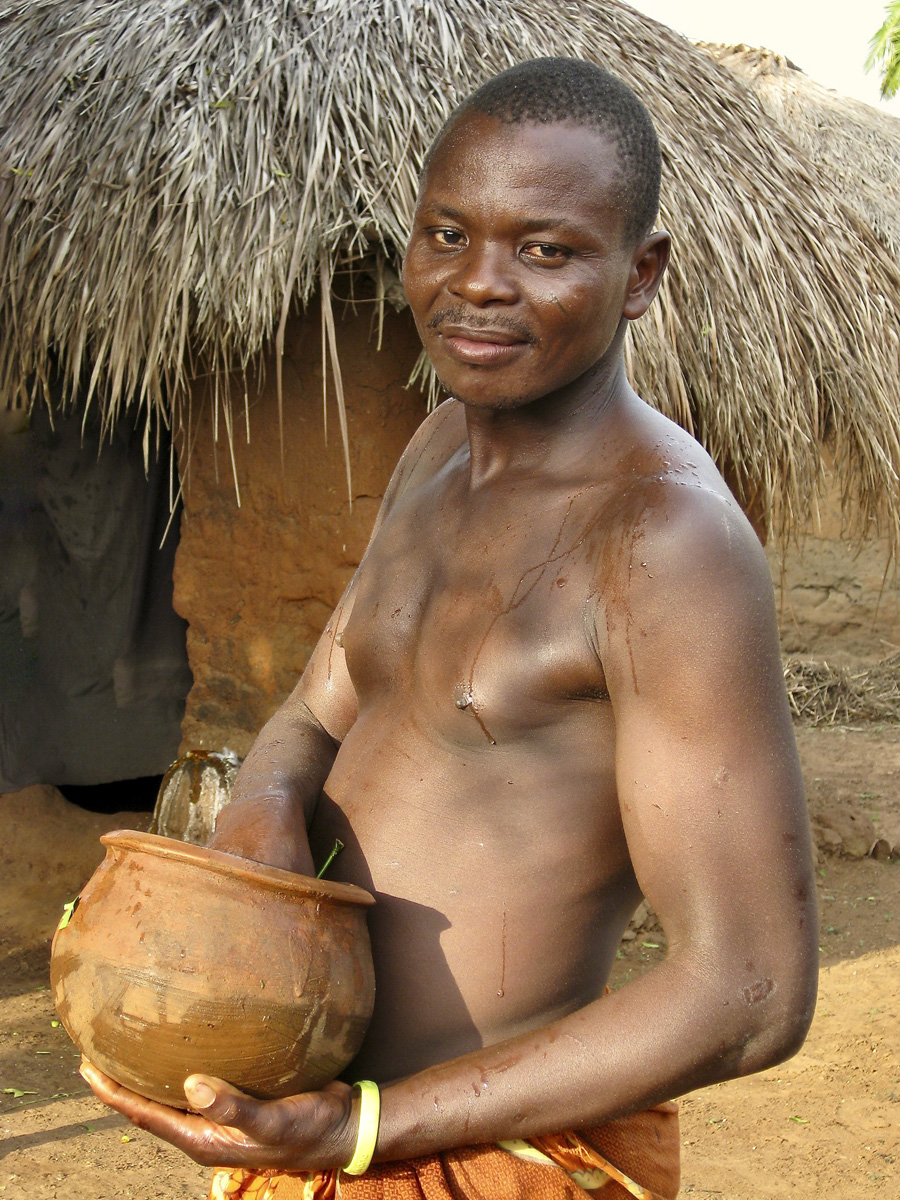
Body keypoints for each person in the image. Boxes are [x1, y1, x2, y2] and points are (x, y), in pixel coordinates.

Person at [81, 57, 818, 1199]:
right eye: (447, 234)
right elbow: (319, 703)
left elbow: (750, 988)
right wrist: (266, 804)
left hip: (482, 1161)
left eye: (546, 250)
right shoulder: (437, 453)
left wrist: (370, 1127)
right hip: (328, 1145)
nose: (478, 284)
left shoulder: (665, 545)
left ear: (640, 275)